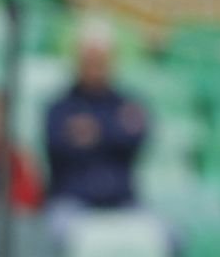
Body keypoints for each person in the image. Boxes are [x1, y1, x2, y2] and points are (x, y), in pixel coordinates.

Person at [44, 24, 148, 244]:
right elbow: (57, 145)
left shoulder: (128, 103)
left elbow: (136, 138)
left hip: (122, 203)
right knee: (56, 236)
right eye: (89, 62)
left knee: (167, 238)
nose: (94, 69)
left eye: (100, 62)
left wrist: (94, 130)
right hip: (73, 202)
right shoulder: (59, 106)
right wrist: (114, 129)